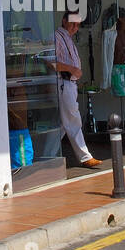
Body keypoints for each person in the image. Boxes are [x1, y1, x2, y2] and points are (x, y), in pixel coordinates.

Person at [52, 12, 100, 168]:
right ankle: (85, 156)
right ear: (64, 21)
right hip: (63, 82)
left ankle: (46, 154)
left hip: (69, 83)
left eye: (78, 24)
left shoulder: (68, 39)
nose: (75, 27)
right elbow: (51, 62)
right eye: (72, 23)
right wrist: (72, 69)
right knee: (73, 119)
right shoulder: (57, 37)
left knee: (62, 124)